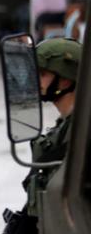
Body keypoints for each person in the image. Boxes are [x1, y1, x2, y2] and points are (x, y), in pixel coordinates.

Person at [24, 38, 81, 214]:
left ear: (65, 80)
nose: (35, 80)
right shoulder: (65, 124)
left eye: (42, 75)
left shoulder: (81, 129)